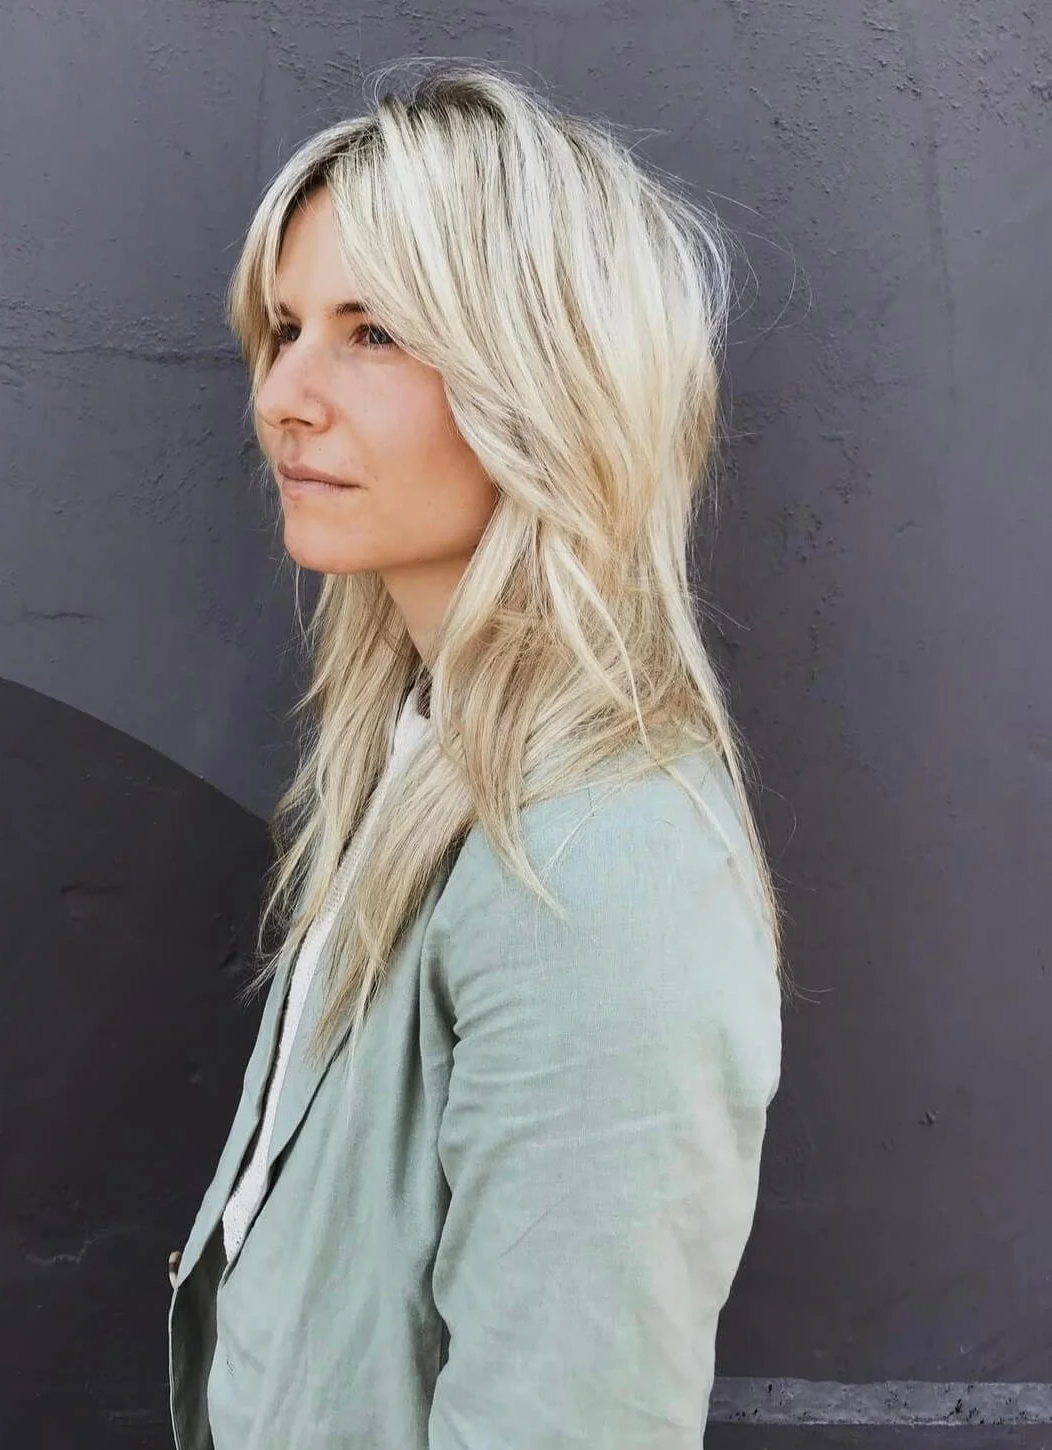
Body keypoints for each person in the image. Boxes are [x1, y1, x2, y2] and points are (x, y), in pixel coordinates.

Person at [167, 58, 788, 1450]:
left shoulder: (598, 863)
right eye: (285, 328)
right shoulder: (418, 747)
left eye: (373, 333)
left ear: (545, 378)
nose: (285, 394)